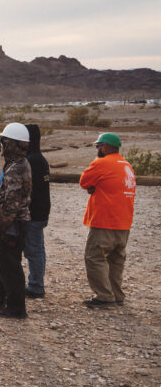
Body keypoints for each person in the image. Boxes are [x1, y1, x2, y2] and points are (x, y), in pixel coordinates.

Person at [79, 132, 136, 308]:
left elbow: (83, 181)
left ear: (104, 147)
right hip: (124, 221)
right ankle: (117, 295)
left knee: (94, 257)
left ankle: (104, 296)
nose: (97, 149)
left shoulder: (102, 162)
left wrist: (93, 186)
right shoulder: (127, 165)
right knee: (115, 260)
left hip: (105, 221)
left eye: (98, 146)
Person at [0, 123, 32, 320]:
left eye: (4, 141)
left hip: (13, 224)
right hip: (18, 222)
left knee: (10, 266)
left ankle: (16, 308)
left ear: (11, 144)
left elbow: (10, 204)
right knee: (7, 264)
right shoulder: (20, 164)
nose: (1, 145)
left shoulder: (15, 169)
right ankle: (2, 300)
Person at [23, 123, 51, 299]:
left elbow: (29, 190)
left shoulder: (32, 160)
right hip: (40, 212)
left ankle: (36, 286)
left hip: (33, 213)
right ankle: (36, 283)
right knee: (37, 250)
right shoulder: (40, 159)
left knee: (34, 251)